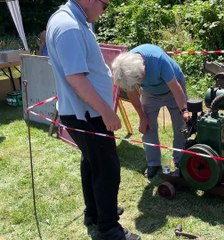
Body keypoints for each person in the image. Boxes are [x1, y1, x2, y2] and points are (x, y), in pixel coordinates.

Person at [46, 1, 140, 239]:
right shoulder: (69, 26)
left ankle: (96, 212)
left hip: (83, 113)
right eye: (105, 4)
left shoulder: (74, 20)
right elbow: (76, 79)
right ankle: (108, 228)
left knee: (92, 163)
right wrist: (107, 112)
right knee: (107, 168)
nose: (104, 10)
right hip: (88, 114)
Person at [112, 44, 191, 179]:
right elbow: (132, 95)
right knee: (148, 128)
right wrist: (142, 117)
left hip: (173, 90)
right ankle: (153, 163)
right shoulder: (125, 69)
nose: (138, 84)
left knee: (181, 127)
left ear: (142, 71)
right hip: (150, 93)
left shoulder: (157, 59)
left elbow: (176, 88)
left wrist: (184, 110)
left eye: (138, 81)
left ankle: (179, 161)